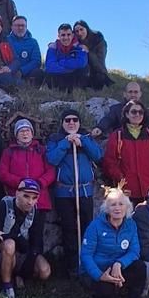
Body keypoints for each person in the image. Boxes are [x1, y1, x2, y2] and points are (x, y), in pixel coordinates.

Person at [46, 109, 103, 277]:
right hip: (64, 192)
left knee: (87, 226)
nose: (71, 123)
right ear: (62, 123)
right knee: (69, 228)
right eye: (67, 120)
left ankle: (88, 264)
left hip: (84, 191)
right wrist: (66, 143)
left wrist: (82, 143)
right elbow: (51, 159)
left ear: (79, 122)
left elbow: (98, 155)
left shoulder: (86, 138)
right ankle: (72, 265)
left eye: (75, 120)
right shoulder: (55, 139)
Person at [80, 185, 147, 298]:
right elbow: (86, 255)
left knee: (140, 267)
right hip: (99, 269)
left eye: (121, 204)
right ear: (106, 208)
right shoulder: (95, 226)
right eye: (113, 205)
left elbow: (135, 251)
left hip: (119, 268)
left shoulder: (131, 225)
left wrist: (119, 263)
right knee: (104, 289)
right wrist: (100, 275)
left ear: (127, 207)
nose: (117, 208)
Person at [0, 179, 52, 298]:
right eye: (26, 196)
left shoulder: (35, 211)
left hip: (24, 251)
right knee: (10, 245)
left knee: (45, 270)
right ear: (17, 193)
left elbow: (36, 241)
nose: (30, 202)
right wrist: (13, 239)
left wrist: (29, 260)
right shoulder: (3, 206)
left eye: (34, 198)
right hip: (2, 249)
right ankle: (6, 287)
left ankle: (19, 277)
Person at [102, 100, 149, 205]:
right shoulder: (117, 135)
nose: (138, 115)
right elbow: (110, 161)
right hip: (127, 190)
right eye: (134, 112)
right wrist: (121, 179)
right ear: (127, 114)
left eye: (141, 112)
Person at [0, 118, 55, 213]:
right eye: (21, 131)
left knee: (37, 227)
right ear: (16, 135)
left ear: (32, 134)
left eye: (27, 130)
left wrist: (40, 183)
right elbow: (2, 173)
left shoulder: (41, 150)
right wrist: (19, 182)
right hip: (17, 199)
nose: (25, 134)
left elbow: (51, 171)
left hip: (39, 199)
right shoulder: (9, 152)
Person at [44, 23, 89, 92]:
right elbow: (49, 66)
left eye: (68, 35)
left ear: (72, 35)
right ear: (58, 36)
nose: (66, 38)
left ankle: (77, 90)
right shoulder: (53, 47)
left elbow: (81, 63)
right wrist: (71, 67)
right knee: (47, 74)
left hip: (73, 78)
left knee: (83, 69)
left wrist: (62, 62)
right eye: (63, 35)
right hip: (59, 77)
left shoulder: (79, 47)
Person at [73, 20, 113, 89]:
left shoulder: (99, 40)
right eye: (77, 31)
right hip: (82, 73)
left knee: (100, 77)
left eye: (81, 29)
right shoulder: (75, 42)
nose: (79, 33)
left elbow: (99, 65)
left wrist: (88, 51)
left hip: (97, 72)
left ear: (86, 29)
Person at [6, 16, 43, 86]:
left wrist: (22, 71)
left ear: (26, 27)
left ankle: (30, 90)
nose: (20, 28)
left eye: (23, 25)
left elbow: (36, 61)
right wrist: (11, 70)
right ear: (12, 27)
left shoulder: (33, 42)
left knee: (38, 72)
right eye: (17, 25)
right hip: (10, 72)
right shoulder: (6, 40)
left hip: (26, 73)